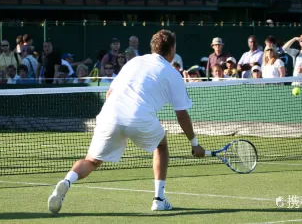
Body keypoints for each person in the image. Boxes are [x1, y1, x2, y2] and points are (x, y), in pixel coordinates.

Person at [47, 30, 206, 213]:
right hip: (139, 117)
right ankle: (159, 199)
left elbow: (109, 93)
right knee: (161, 146)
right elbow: (181, 114)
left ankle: (67, 180)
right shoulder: (172, 73)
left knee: (91, 161)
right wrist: (195, 144)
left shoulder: (135, 62)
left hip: (110, 114)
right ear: (171, 49)